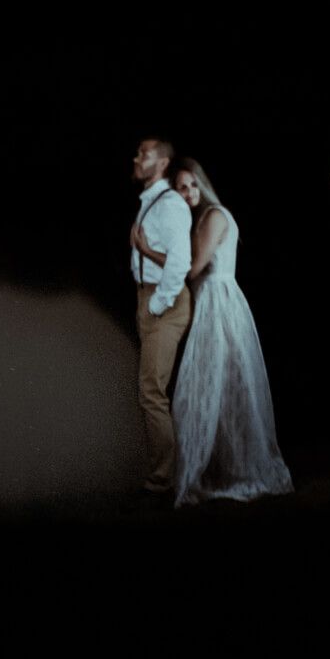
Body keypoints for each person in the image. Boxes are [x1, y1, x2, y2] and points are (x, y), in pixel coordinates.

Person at [135, 155, 293, 505]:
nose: (189, 192)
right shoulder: (203, 219)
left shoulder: (214, 215)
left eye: (192, 185)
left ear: (202, 184)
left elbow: (191, 269)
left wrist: (149, 252)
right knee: (213, 388)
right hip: (214, 302)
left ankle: (203, 471)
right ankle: (203, 468)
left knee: (206, 387)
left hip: (217, 304)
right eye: (181, 188)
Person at [127, 137, 193, 504]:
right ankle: (160, 478)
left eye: (144, 154)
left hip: (162, 301)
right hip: (148, 298)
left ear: (162, 163)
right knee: (150, 391)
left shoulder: (170, 205)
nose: (136, 158)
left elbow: (180, 263)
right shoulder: (151, 203)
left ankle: (159, 487)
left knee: (152, 393)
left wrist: (156, 305)